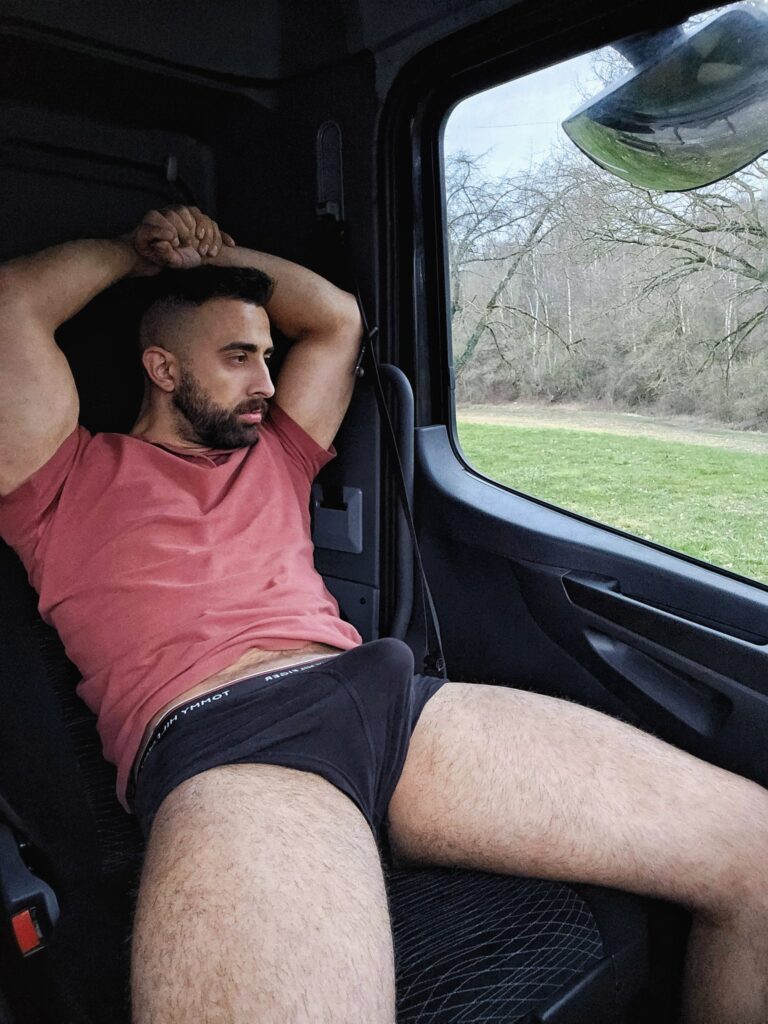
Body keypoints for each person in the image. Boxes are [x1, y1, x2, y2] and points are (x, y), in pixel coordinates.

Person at [0, 205, 765, 1024]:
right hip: (231, 737)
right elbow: (12, 302)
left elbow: (337, 320)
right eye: (238, 357)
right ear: (161, 367)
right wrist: (139, 253)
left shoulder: (277, 454)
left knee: (754, 851)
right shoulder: (56, 480)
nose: (266, 383)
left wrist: (218, 254)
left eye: (267, 356)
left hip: (387, 701)